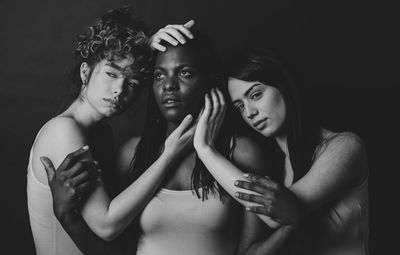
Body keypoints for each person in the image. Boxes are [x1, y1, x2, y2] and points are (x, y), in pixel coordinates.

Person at [39, 25, 271, 254]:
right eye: (159, 75)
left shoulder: (243, 153)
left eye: (184, 73)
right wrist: (67, 216)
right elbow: (116, 249)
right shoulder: (130, 154)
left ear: (210, 81)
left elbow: (250, 250)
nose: (169, 85)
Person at [27, 7, 201, 255]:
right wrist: (170, 156)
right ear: (85, 71)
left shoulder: (100, 133)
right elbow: (106, 225)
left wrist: (147, 49)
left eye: (132, 83)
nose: (120, 90)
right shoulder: (63, 130)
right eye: (111, 74)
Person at [191, 48, 369, 254]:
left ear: (282, 86)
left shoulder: (345, 146)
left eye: (256, 95)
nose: (250, 112)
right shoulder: (266, 163)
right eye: (239, 106)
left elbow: (279, 212)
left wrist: (205, 150)